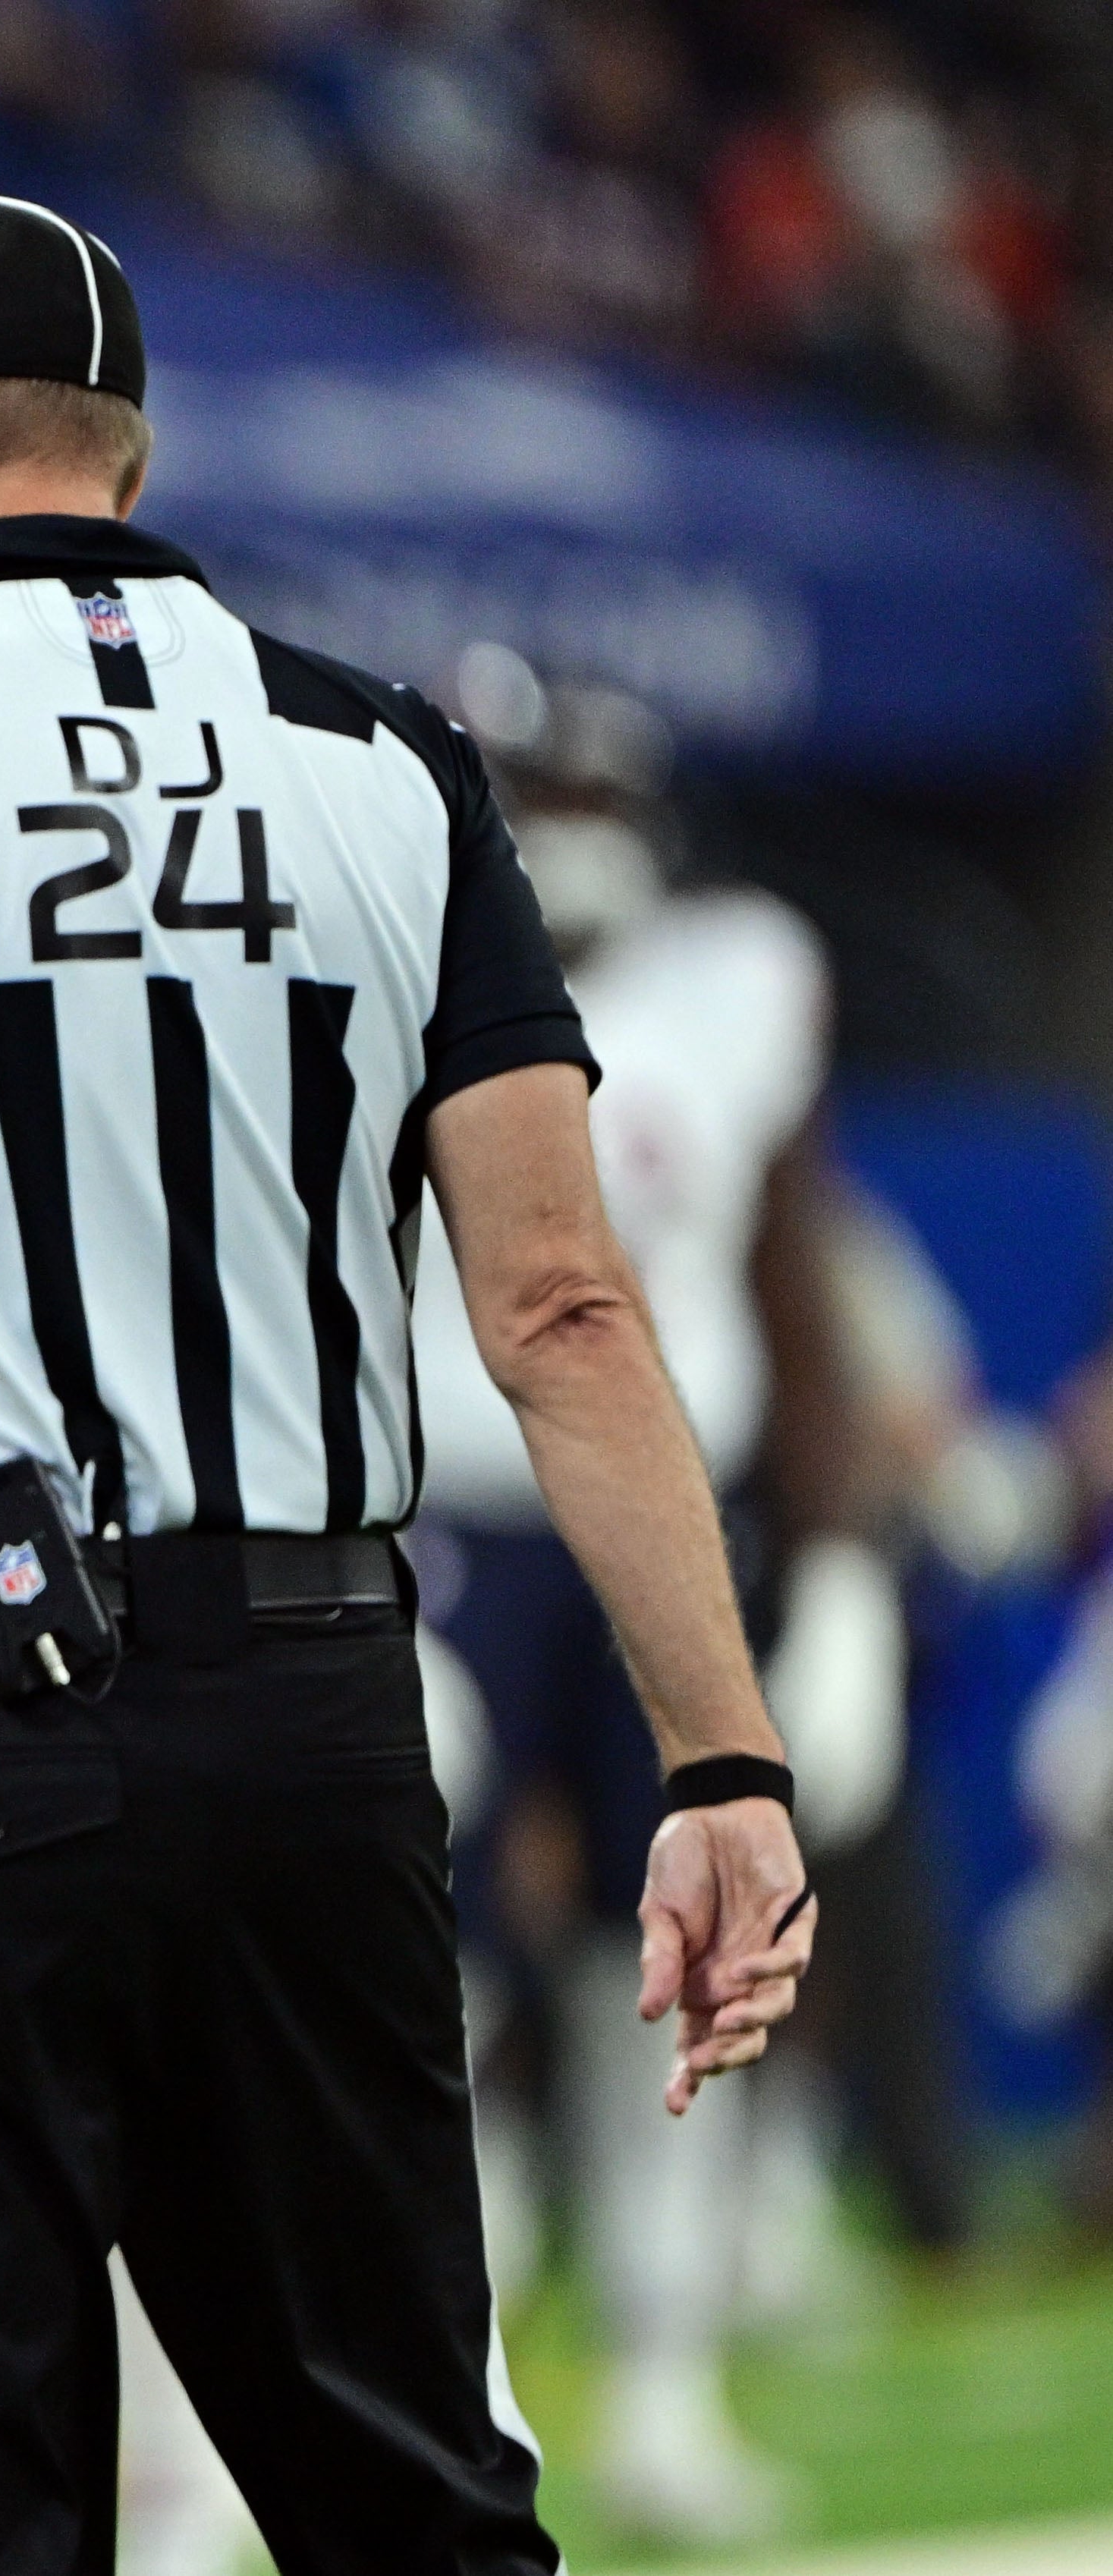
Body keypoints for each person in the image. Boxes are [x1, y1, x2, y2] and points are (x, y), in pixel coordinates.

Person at [0, 190, 819, 2574]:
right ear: (122, 450)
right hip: (323, 1713)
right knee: (415, 2510)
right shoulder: (390, 751)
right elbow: (560, 1307)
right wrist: (719, 1755)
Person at [404, 653, 887, 2543]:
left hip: (660, 1519)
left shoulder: (736, 986)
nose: (553, 838)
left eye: (577, 796)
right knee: (402, 1975)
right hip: (435, 1520)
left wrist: (838, 1567)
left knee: (677, 1962)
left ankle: (671, 2379)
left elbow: (792, 1272)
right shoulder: (374, 965)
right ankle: (438, 2387)